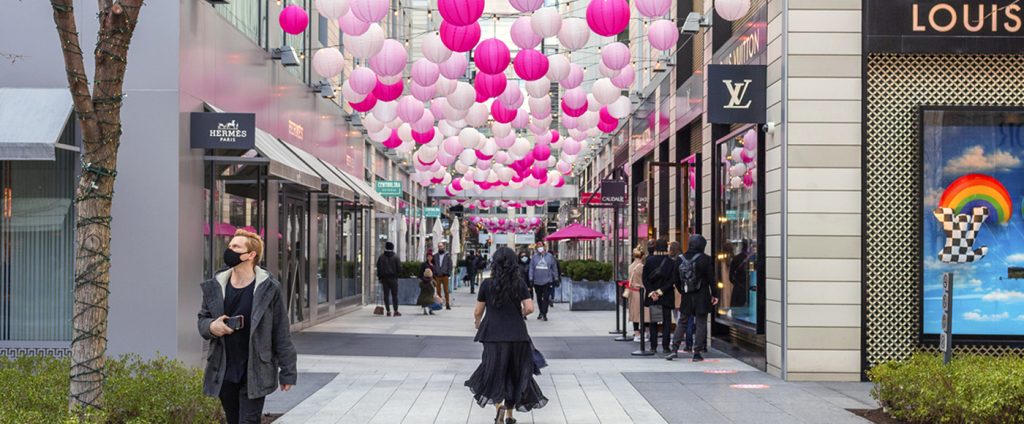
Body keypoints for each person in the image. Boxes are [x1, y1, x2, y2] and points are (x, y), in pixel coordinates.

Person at [198, 229, 297, 424]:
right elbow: (202, 320)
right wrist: (211, 327)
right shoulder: (216, 286)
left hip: (255, 369)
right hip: (224, 368)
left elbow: (281, 332)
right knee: (233, 420)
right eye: (229, 246)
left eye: (236, 247)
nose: (230, 250)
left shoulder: (269, 288)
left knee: (248, 421)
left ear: (251, 255)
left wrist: (288, 372)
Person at [465, 247, 548, 423]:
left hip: (493, 334)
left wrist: (478, 322)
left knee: (494, 371)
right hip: (517, 335)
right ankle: (510, 415)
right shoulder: (519, 283)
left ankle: (499, 406)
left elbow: (478, 310)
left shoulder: (487, 284)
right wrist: (519, 314)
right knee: (514, 373)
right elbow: (530, 308)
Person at [667, 235, 717, 362]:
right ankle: (697, 352)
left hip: (687, 295)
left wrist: (683, 291)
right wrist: (715, 294)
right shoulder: (705, 259)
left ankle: (674, 349)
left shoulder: (680, 259)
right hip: (702, 295)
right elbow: (711, 279)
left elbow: (675, 280)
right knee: (701, 323)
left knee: (682, 321)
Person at [642, 239, 677, 355]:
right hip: (666, 295)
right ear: (666, 248)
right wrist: (661, 291)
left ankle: (653, 346)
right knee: (666, 322)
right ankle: (666, 347)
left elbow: (645, 278)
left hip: (653, 297)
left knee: (654, 322)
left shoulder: (649, 261)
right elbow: (673, 279)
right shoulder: (671, 262)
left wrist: (652, 292)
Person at [528, 242, 559, 321]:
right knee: (539, 297)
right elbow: (531, 268)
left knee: (546, 297)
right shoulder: (534, 257)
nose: (539, 247)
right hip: (537, 281)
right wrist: (531, 278)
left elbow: (554, 268)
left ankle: (544, 313)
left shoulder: (550, 257)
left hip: (547, 280)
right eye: (538, 246)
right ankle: (541, 311)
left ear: (544, 247)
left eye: (541, 246)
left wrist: (556, 278)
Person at [626, 241, 650, 342]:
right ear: (642, 256)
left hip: (632, 291)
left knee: (635, 314)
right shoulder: (642, 267)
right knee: (644, 314)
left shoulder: (630, 266)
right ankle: (644, 333)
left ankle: (636, 334)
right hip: (642, 291)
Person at [376, 242, 402, 317]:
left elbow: (379, 268)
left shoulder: (381, 257)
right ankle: (396, 311)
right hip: (393, 279)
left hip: (384, 279)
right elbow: (399, 269)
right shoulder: (396, 257)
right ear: (392, 248)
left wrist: (380, 277)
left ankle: (388, 311)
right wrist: (397, 274)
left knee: (386, 295)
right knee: (395, 295)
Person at [435, 242, 454, 309]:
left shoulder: (447, 256)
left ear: (444, 247)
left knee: (446, 290)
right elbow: (434, 265)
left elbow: (450, 265)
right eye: (439, 246)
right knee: (438, 290)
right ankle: (440, 303)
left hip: (445, 275)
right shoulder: (436, 256)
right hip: (437, 275)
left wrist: (448, 273)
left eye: (441, 246)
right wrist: (435, 272)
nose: (440, 247)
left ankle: (447, 303)